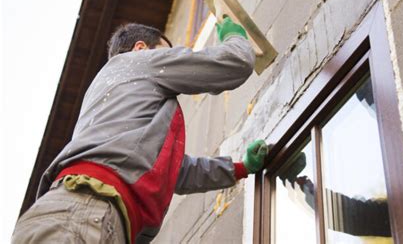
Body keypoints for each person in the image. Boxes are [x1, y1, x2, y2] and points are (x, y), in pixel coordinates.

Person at [12, 18, 269, 244]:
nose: (172, 60)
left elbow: (169, 170)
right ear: (141, 48)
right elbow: (233, 63)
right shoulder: (138, 62)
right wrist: (235, 37)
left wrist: (240, 168)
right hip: (85, 214)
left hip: (71, 213)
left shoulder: (112, 94)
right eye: (166, 54)